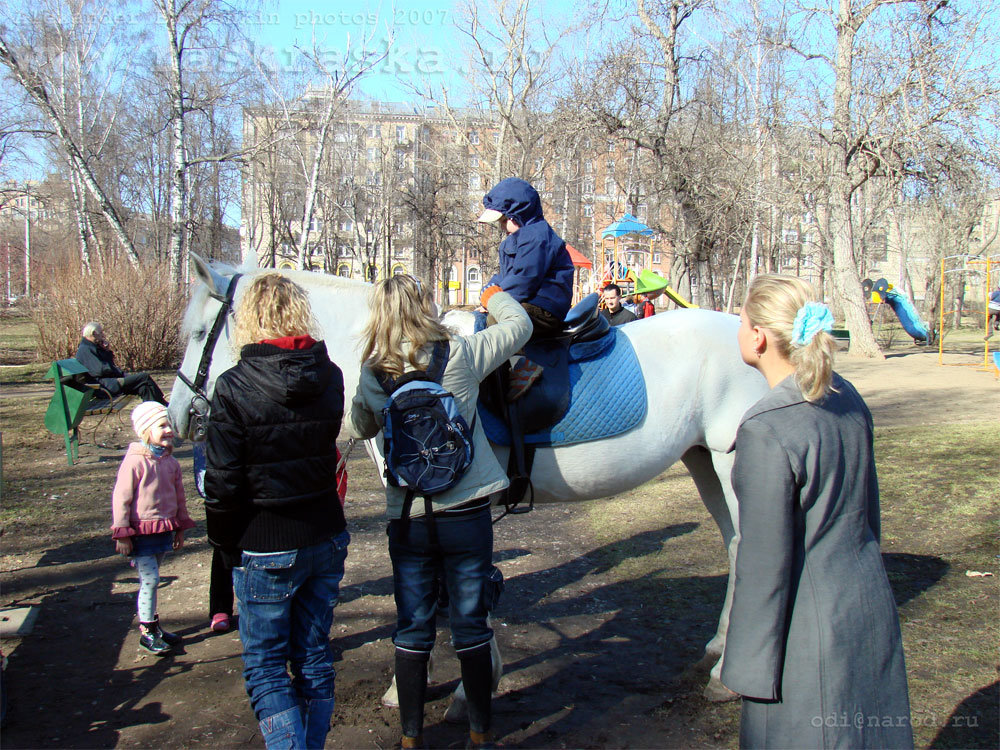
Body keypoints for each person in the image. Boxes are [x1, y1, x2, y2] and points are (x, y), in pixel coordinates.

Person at [721, 274, 912, 749]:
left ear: (759, 337)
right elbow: (868, 516)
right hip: (869, 607)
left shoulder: (767, 427)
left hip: (807, 638)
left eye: (741, 322)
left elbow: (764, 566)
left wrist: (745, 667)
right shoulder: (845, 395)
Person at [348, 275, 532, 750]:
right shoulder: (463, 353)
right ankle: (480, 732)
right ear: (427, 305)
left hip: (409, 518)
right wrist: (494, 296)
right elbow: (521, 325)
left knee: (412, 626)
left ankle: (411, 739)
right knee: (470, 624)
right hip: (466, 511)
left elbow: (361, 424)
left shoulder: (372, 371)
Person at [204, 273, 349, 750]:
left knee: (266, 666)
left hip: (267, 543)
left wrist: (225, 545)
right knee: (312, 656)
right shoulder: (329, 375)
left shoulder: (232, 387)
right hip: (324, 533)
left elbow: (224, 485)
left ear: (250, 319)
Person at [477, 177, 575, 399]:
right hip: (528, 300)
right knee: (491, 313)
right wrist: (488, 292)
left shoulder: (536, 236)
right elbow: (506, 276)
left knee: (501, 321)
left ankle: (522, 365)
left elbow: (525, 278)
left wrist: (497, 300)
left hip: (544, 305)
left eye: (504, 220)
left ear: (517, 214)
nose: (502, 226)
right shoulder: (517, 238)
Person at [111, 401, 195, 656]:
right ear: (146, 430)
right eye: (161, 425)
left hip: (163, 529)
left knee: (153, 578)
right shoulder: (135, 462)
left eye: (169, 424)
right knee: (151, 580)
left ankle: (154, 626)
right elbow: (121, 498)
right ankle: (147, 631)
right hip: (140, 533)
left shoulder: (171, 463)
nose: (168, 430)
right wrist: (122, 532)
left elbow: (179, 497)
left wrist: (180, 528)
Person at [76, 322, 167, 405]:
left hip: (110, 382)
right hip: (105, 386)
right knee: (144, 377)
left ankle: (153, 411)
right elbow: (99, 370)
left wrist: (106, 351)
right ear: (94, 333)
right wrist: (119, 373)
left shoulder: (92, 346)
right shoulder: (85, 349)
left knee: (144, 387)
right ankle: (164, 404)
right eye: (101, 333)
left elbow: (107, 365)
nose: (103, 335)